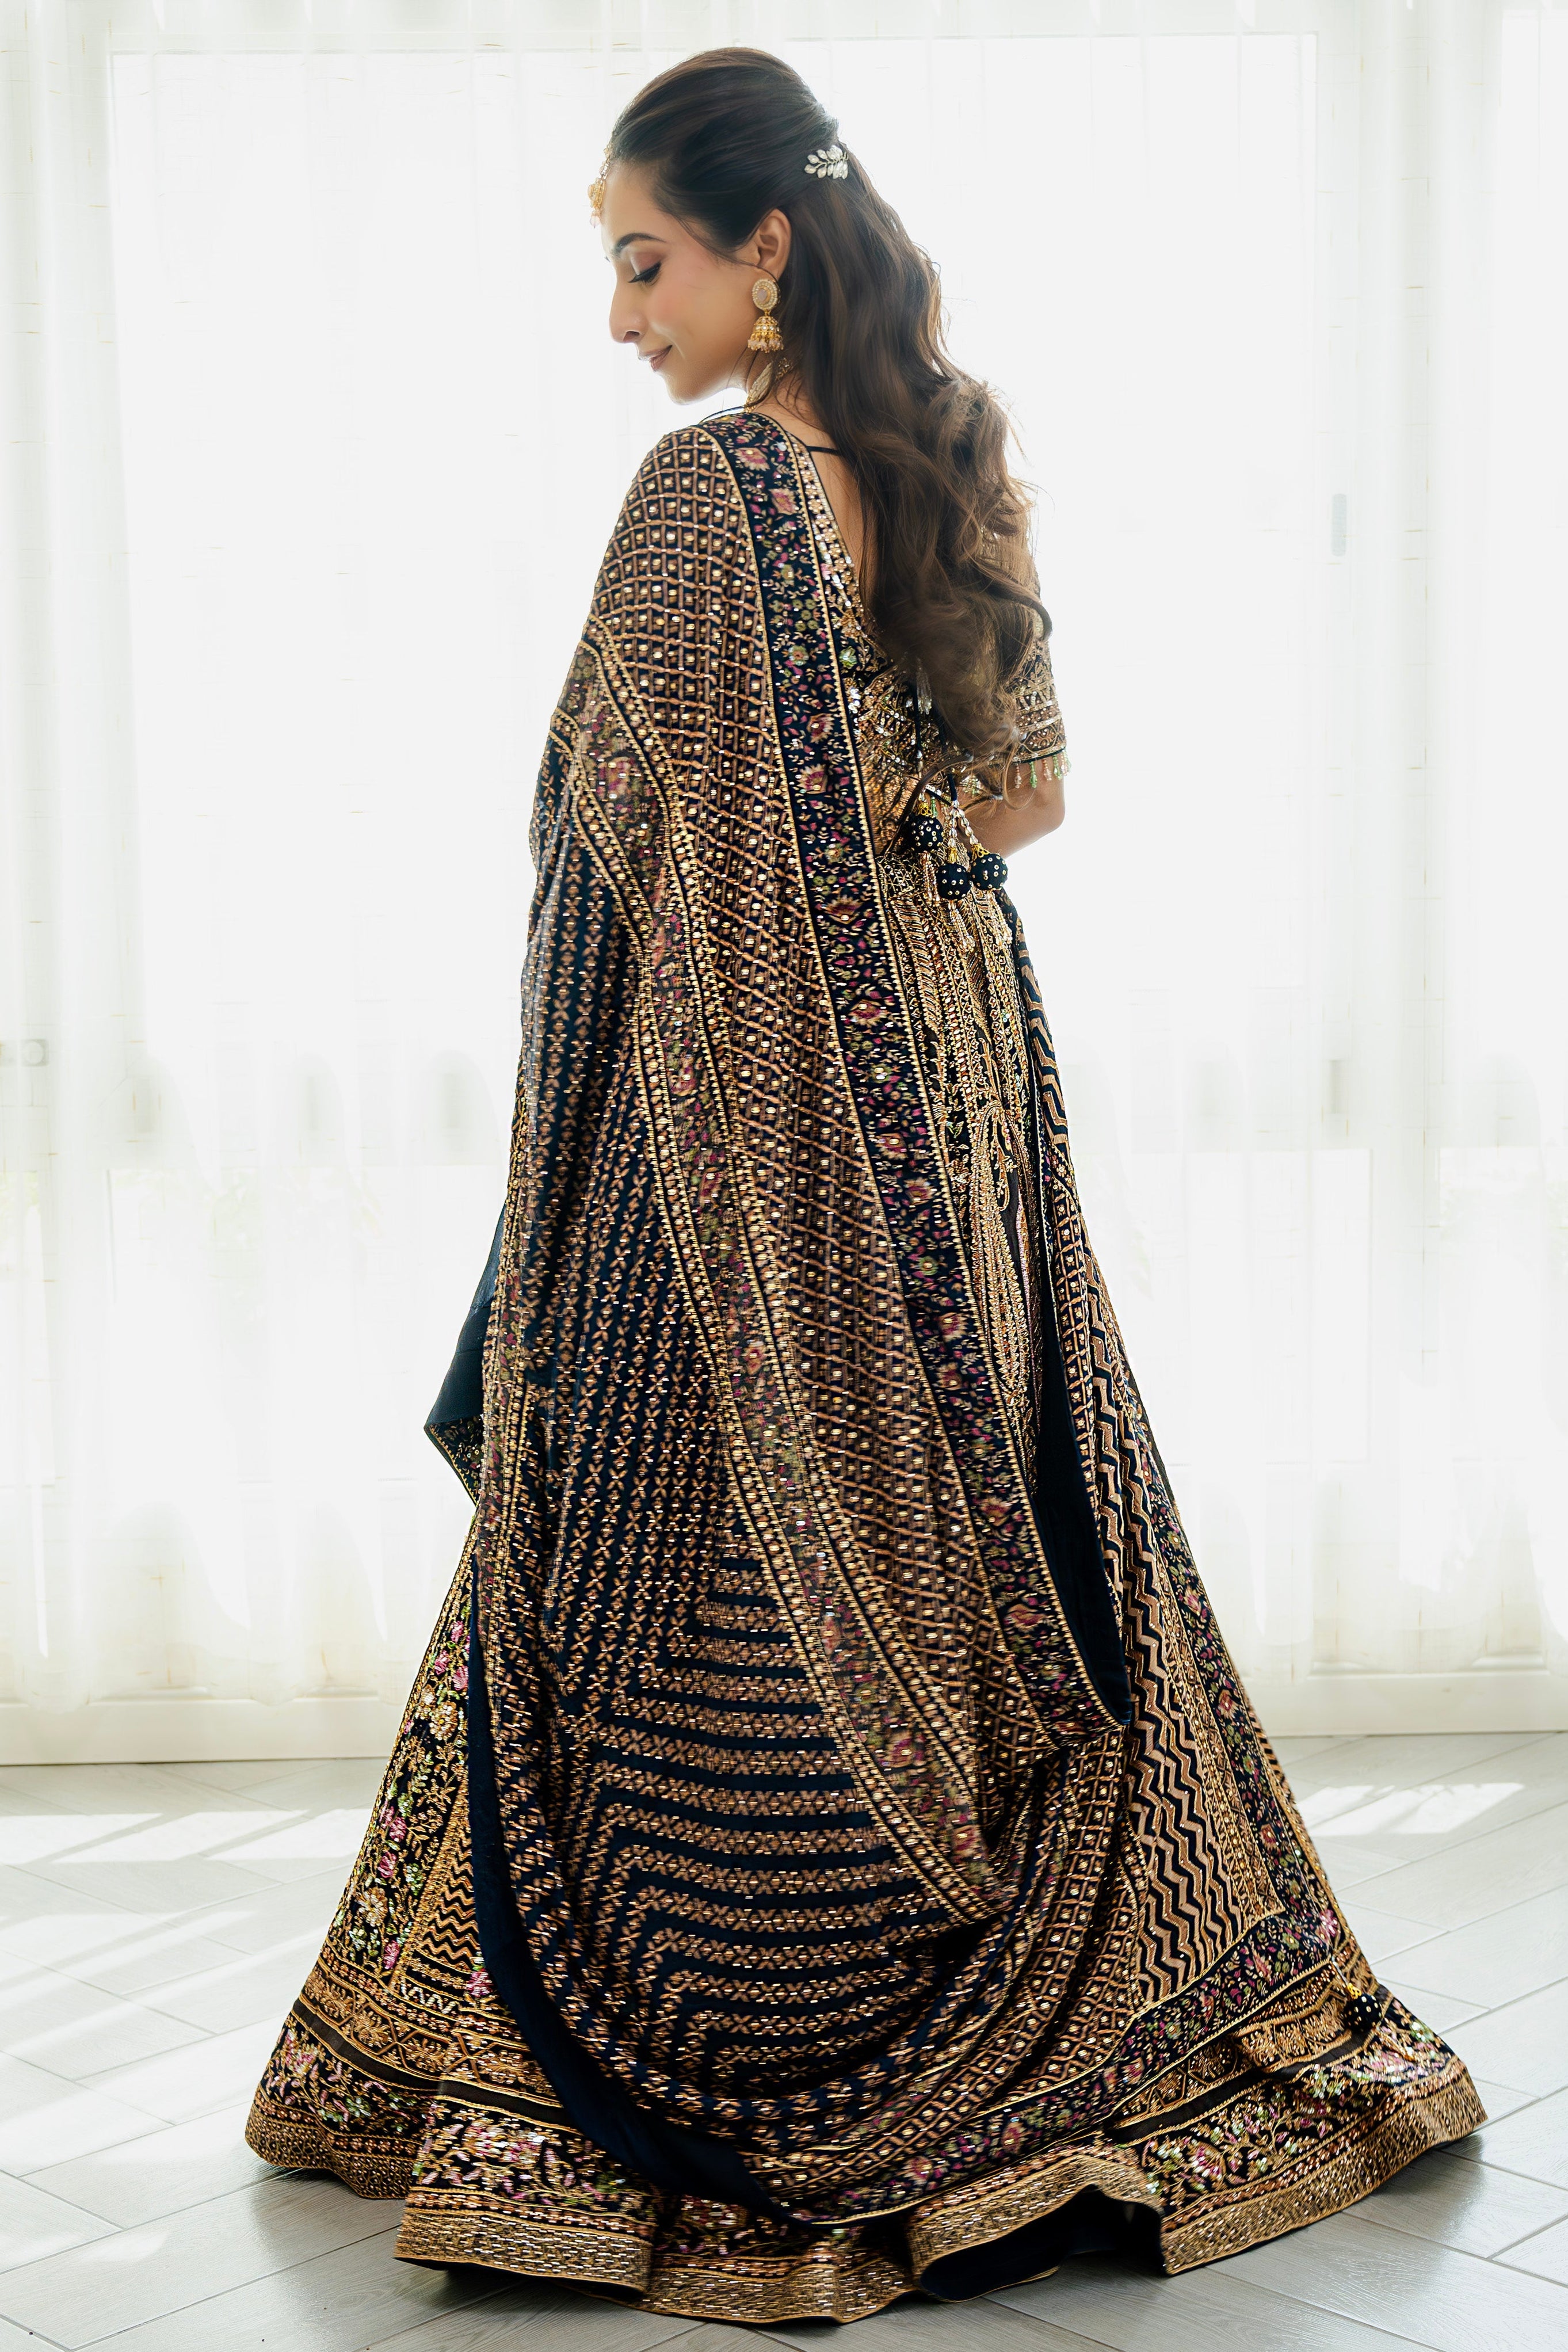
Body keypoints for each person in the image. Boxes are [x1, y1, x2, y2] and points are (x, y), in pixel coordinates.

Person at [245, 46, 1485, 2323]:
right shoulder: (954, 448)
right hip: (959, 1108)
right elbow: (1019, 794)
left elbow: (597, 840)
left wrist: (734, 990)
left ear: (762, 249)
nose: (625, 315)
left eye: (644, 260)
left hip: (739, 1131)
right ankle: (1046, 1970)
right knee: (960, 1527)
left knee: (647, 1528)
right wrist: (875, 865)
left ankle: (669, 2035)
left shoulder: (701, 495)